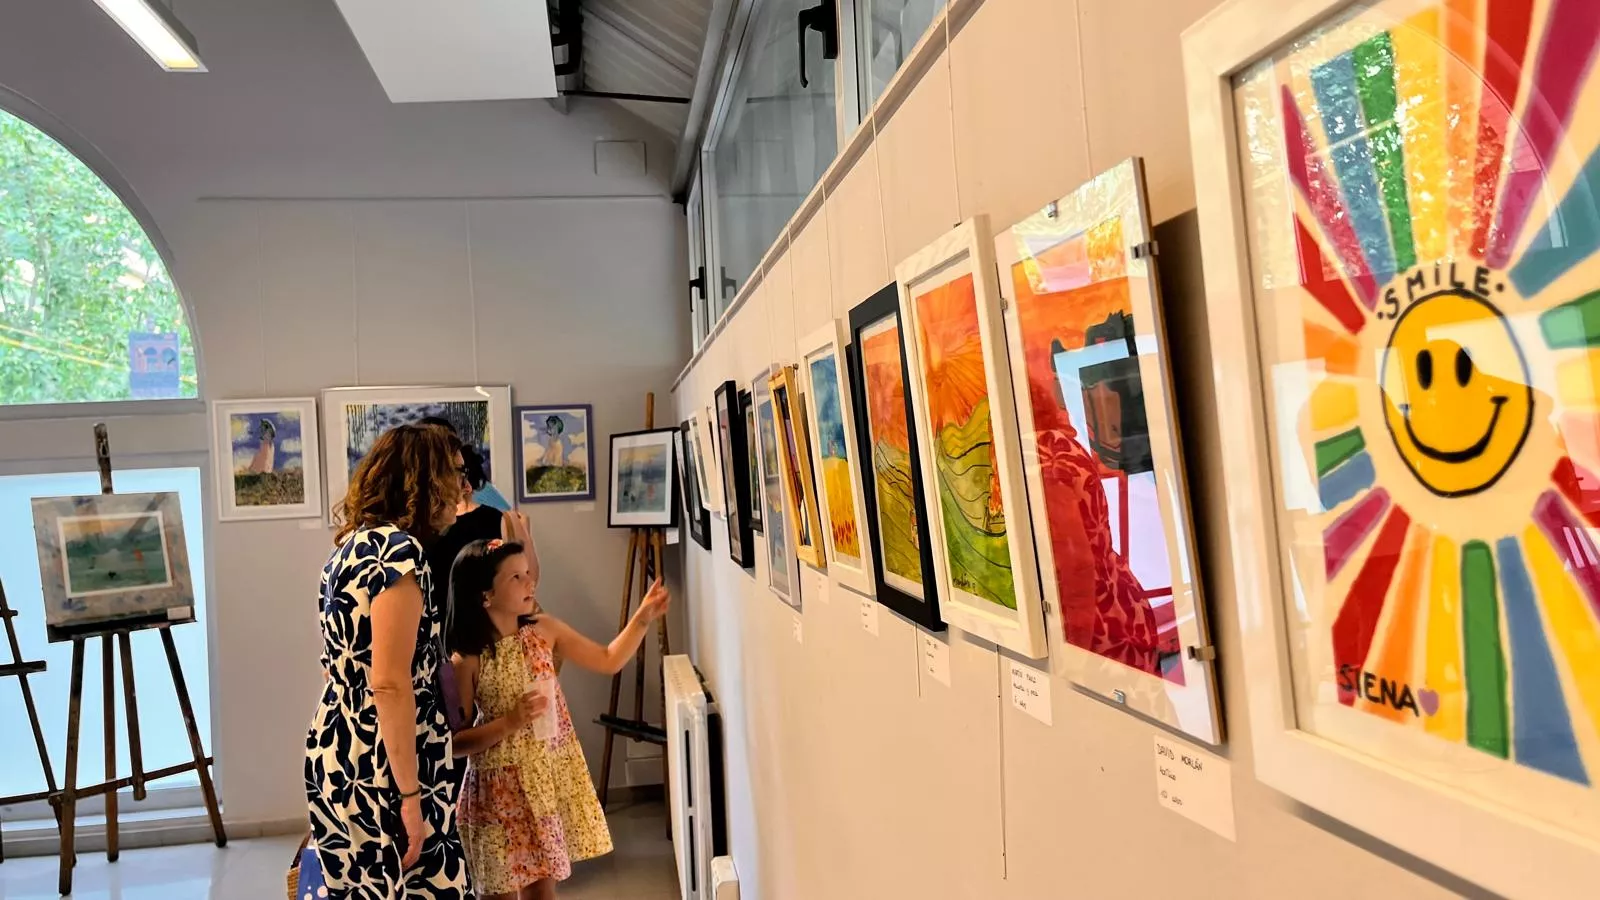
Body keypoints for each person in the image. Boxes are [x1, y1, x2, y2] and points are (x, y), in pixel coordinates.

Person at [447, 539, 670, 900]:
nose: (530, 582)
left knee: (542, 892)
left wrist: (642, 618)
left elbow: (608, 658)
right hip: (496, 796)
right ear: (485, 595)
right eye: (516, 577)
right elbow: (454, 743)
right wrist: (510, 721)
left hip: (542, 785)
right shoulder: (468, 660)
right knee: (498, 894)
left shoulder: (543, 630)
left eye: (528, 573)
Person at [305, 424, 473, 899]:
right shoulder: (399, 554)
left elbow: (340, 665)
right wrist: (410, 798)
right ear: (423, 479)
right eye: (455, 473)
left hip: (339, 746)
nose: (464, 487)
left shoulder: (348, 549)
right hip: (385, 763)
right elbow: (390, 684)